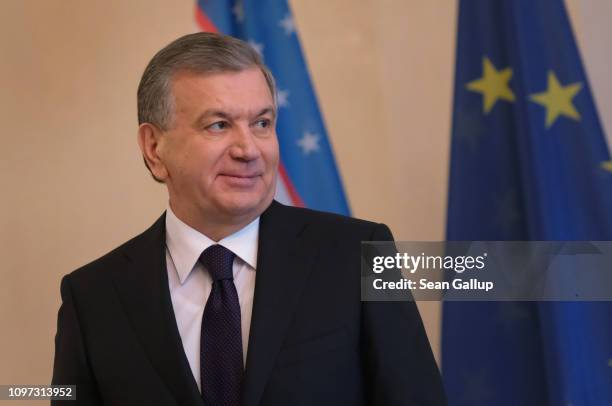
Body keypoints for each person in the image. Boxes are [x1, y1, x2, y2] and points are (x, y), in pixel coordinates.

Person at [52, 32, 446, 406]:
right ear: (154, 148)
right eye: (219, 125)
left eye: (262, 123)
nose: (248, 149)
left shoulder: (359, 255)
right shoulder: (92, 298)